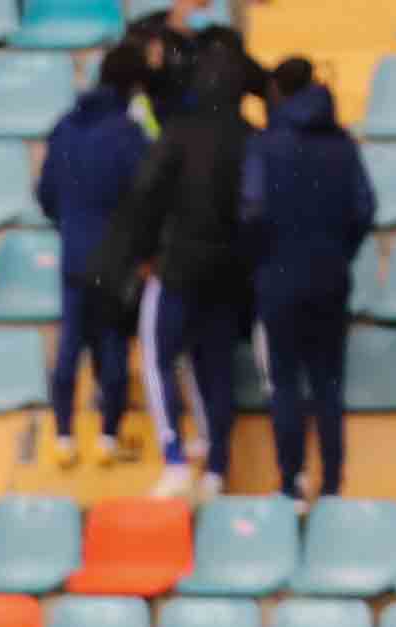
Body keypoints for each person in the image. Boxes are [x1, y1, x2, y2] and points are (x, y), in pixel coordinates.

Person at [119, 25, 258, 496]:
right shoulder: (249, 138)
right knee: (216, 368)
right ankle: (217, 468)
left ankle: (175, 456)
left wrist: (142, 255)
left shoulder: (179, 133)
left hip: (177, 265)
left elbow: (145, 195)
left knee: (158, 355)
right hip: (229, 271)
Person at [250, 59, 377, 500]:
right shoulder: (342, 143)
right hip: (330, 276)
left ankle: (291, 480)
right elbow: (364, 208)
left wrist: (263, 258)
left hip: (278, 277)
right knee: (328, 384)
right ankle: (333, 484)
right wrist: (341, 251)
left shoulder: (266, 146)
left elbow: (252, 211)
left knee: (285, 383)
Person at [36, 42, 154, 469]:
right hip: (114, 256)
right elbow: (146, 196)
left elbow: (46, 193)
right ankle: (107, 437)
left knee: (70, 344)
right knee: (113, 345)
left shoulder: (65, 127)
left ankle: (64, 436)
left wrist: (69, 223)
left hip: (73, 250)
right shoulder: (127, 134)